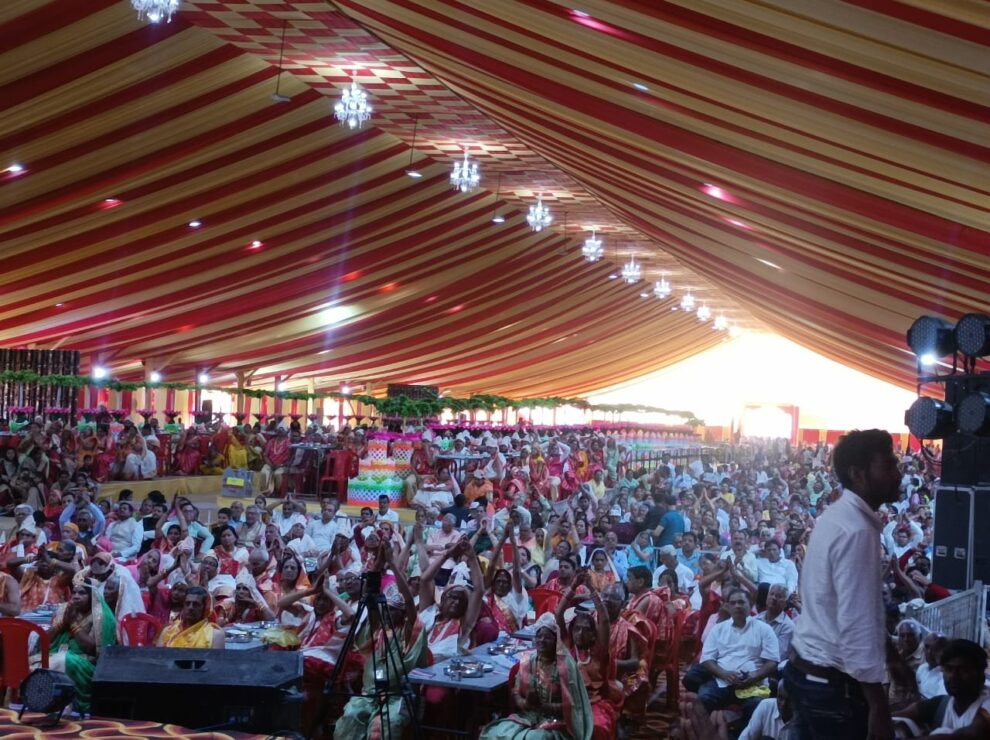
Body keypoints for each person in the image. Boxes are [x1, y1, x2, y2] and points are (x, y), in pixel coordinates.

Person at [785, 429, 901, 740]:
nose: (897, 474)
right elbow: (855, 622)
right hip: (832, 689)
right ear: (858, 474)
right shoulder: (857, 531)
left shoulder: (837, 516)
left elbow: (854, 606)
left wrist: (891, 656)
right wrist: (878, 704)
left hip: (807, 673)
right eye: (888, 466)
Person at [480, 613, 594, 740]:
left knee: (534, 738)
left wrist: (545, 706)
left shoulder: (565, 666)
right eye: (539, 636)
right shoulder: (528, 661)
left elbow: (572, 706)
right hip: (529, 717)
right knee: (494, 733)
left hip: (556, 722)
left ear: (556, 641)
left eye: (547, 637)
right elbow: (516, 693)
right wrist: (526, 702)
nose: (542, 640)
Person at [697, 588, 779, 723]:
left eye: (741, 602)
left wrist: (754, 676)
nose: (737, 606)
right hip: (722, 681)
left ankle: (740, 730)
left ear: (750, 605)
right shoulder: (718, 629)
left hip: (753, 683)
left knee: (756, 706)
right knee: (704, 697)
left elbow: (773, 661)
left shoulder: (764, 629)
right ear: (728, 606)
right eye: (733, 603)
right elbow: (707, 659)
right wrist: (723, 674)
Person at [893, 639, 990, 738]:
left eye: (962, 670)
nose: (953, 676)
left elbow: (969, 735)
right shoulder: (942, 704)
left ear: (980, 675)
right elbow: (898, 715)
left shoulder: (987, 703)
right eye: (949, 669)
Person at [46, 580, 117, 714]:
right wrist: (62, 623)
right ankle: (44, 703)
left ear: (93, 595)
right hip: (60, 654)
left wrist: (73, 624)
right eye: (74, 592)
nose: (76, 596)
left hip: (88, 663)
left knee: (62, 660)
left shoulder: (101, 616)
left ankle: (64, 707)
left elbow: (93, 650)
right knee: (36, 659)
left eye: (82, 593)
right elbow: (44, 641)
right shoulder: (64, 610)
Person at [157, 585, 225, 648]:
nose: (190, 607)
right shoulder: (168, 631)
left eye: (196, 604)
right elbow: (158, 656)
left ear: (205, 608)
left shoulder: (215, 635)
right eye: (187, 603)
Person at [756, 583, 795, 658]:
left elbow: (778, 655)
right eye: (771, 594)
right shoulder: (756, 619)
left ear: (786, 603)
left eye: (779, 596)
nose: (773, 598)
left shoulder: (788, 627)